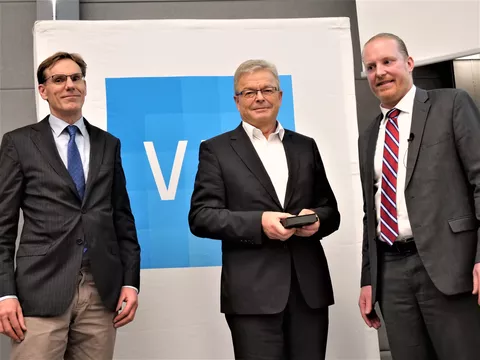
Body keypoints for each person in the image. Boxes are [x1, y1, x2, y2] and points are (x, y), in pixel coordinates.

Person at [189, 59, 340, 360]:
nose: (259, 97)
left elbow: (330, 210)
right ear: (237, 101)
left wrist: (316, 221)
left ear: (280, 96)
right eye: (249, 92)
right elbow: (201, 216)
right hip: (252, 296)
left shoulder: (305, 146)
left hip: (308, 292)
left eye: (267, 89)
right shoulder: (216, 150)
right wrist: (259, 223)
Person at [0, 51, 141, 359]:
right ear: (43, 90)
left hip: (100, 290)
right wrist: (5, 293)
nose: (69, 85)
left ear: (85, 86)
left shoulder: (108, 143)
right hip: (40, 289)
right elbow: (3, 228)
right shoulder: (19, 142)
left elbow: (122, 218)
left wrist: (131, 283)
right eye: (59, 79)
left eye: (76, 78)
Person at [358, 33, 480, 360]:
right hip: (391, 274)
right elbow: (372, 213)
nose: (379, 72)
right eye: (370, 66)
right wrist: (368, 279)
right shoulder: (369, 135)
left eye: (387, 61)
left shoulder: (451, 104)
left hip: (451, 264)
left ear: (409, 63)